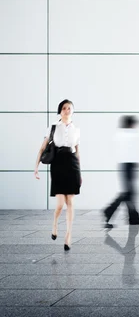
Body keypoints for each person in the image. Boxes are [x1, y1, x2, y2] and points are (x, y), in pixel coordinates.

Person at [34, 99, 81, 251]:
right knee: (60, 204)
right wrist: (36, 167)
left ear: (72, 111)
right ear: (60, 111)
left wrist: (80, 172)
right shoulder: (53, 127)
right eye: (64, 108)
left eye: (69, 108)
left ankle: (68, 236)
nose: (67, 110)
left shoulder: (76, 129)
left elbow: (77, 152)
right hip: (58, 164)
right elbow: (42, 149)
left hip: (72, 164)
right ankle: (55, 224)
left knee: (71, 203)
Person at [103, 116, 139, 228]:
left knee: (130, 193)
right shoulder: (133, 135)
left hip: (123, 165)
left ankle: (134, 218)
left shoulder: (119, 135)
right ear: (131, 124)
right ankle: (108, 211)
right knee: (128, 193)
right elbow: (137, 152)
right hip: (130, 165)